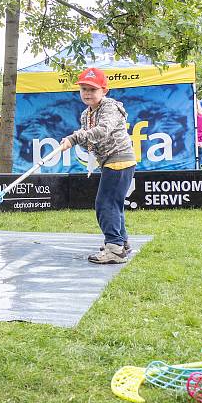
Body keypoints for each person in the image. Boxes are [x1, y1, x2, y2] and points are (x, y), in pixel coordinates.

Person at [60, 67, 136, 264]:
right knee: (114, 203)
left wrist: (75, 137)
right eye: (84, 89)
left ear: (104, 90)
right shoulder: (85, 115)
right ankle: (121, 243)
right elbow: (91, 141)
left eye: (92, 89)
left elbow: (102, 131)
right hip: (109, 161)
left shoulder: (110, 107)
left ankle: (114, 250)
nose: (87, 93)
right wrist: (71, 141)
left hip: (120, 159)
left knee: (105, 204)